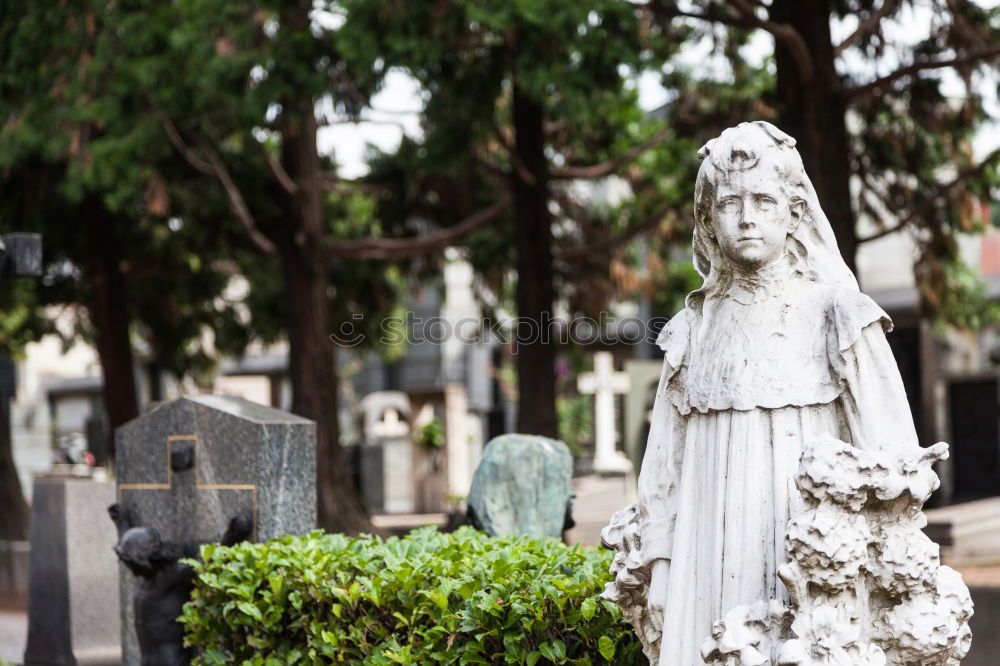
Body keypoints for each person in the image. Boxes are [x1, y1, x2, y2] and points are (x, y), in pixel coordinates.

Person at [601, 121, 921, 665]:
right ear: (707, 218)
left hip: (802, 551)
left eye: (764, 201)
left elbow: (892, 458)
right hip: (704, 553)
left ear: (793, 213)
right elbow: (662, 465)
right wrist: (659, 566)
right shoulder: (691, 330)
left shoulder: (837, 315)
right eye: (730, 203)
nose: (747, 217)